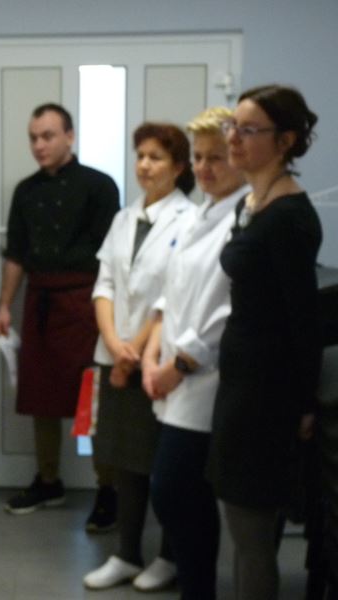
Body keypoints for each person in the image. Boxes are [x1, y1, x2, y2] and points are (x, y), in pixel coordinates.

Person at [208, 85, 321, 600]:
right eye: (233, 126)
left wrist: (303, 404)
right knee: (242, 525)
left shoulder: (290, 218)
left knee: (251, 530)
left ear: (285, 140)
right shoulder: (252, 202)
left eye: (248, 130)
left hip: (266, 393)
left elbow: (303, 320)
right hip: (241, 380)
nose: (233, 138)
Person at [0, 104, 120, 528]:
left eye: (47, 136)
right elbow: (16, 254)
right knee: (40, 399)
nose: (39, 145)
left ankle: (108, 489)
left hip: (85, 303)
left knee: (93, 400)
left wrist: (111, 314)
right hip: (40, 301)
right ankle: (48, 481)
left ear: (70, 136)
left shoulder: (100, 186)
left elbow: (112, 258)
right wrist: (4, 304)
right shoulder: (25, 191)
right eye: (33, 137)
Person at [142, 107, 250, 600]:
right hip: (172, 371)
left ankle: (198, 590)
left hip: (205, 379)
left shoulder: (243, 218)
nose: (205, 168)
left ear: (239, 157)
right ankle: (195, 588)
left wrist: (179, 364)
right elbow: (172, 291)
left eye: (217, 157)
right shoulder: (199, 214)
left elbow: (226, 309)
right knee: (185, 495)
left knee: (173, 490)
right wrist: (152, 353)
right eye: (200, 157)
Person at [84, 122, 195, 591]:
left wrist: (133, 353)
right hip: (116, 353)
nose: (145, 165)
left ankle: (169, 556)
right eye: (141, 156)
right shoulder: (124, 217)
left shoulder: (190, 219)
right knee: (122, 459)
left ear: (179, 167)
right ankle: (127, 554)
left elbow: (172, 294)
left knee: (162, 465)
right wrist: (113, 342)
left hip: (157, 358)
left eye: (156, 157)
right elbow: (105, 282)